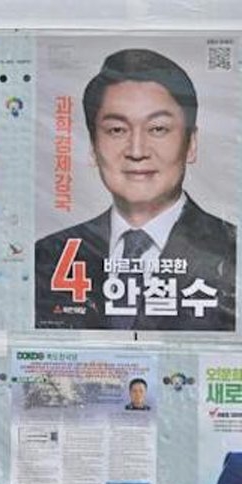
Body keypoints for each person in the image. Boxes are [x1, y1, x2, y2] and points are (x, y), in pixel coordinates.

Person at [36, 48, 236, 330]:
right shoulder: (49, 255)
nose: (137, 151)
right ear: (93, 148)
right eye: (117, 130)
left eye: (158, 129)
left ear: (191, 143)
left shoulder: (230, 250)